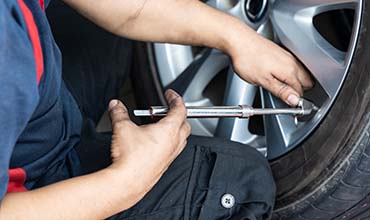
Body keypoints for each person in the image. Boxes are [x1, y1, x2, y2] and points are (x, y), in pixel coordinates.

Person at [0, 0, 313, 219]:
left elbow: (132, 8)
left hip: (38, 111)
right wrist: (126, 182)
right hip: (34, 196)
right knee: (241, 183)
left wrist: (235, 37)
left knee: (101, 31)